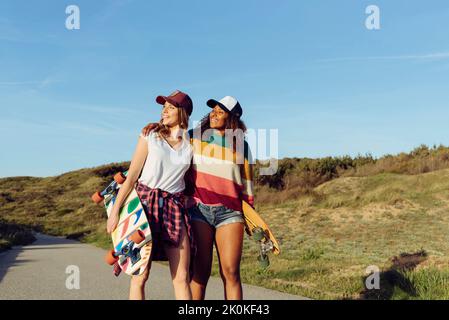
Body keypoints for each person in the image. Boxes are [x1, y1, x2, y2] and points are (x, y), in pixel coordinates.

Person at [142, 96, 254, 300]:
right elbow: (171, 137)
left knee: (230, 272)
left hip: (230, 213)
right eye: (213, 110)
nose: (214, 114)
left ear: (233, 118)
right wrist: (157, 126)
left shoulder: (242, 147)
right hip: (199, 210)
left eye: (220, 112)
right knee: (199, 273)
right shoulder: (194, 137)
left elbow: (247, 185)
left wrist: (251, 217)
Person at [107, 90, 195, 300]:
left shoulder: (192, 144)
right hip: (144, 205)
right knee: (140, 275)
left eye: (170, 107)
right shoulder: (151, 135)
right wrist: (115, 211)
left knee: (181, 276)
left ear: (183, 112)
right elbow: (132, 176)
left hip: (174, 207)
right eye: (163, 106)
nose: (164, 110)